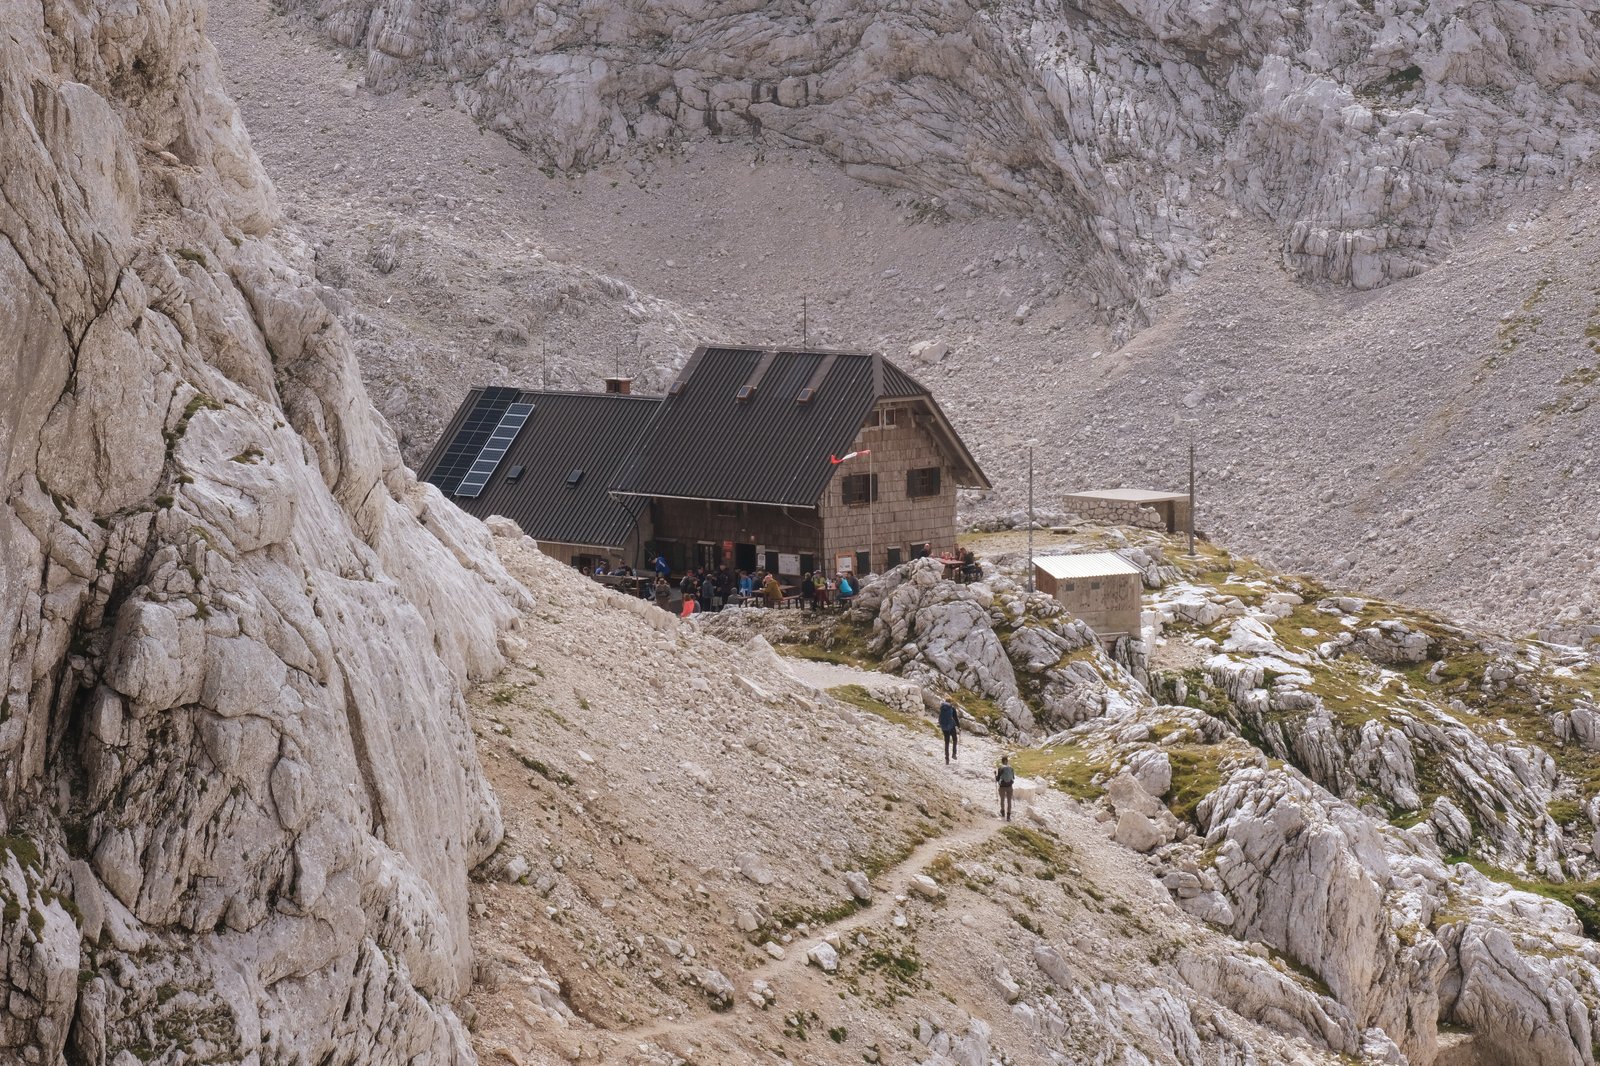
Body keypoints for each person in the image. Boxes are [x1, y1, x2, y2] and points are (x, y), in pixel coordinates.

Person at [938, 698, 960, 763]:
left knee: (946, 742)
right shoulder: (952, 708)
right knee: (955, 739)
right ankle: (954, 754)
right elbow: (955, 718)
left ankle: (947, 758)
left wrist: (941, 725)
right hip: (951, 726)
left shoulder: (942, 708)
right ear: (950, 702)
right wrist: (959, 727)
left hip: (944, 727)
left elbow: (940, 718)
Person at [995, 756, 1015, 821]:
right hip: (1009, 786)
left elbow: (997, 779)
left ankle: (1003, 812)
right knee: (1009, 801)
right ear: (1007, 761)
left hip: (1002, 787)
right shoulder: (1011, 768)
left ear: (1002, 761)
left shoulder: (1000, 768)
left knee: (1002, 799)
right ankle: (1008, 816)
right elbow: (1013, 777)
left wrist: (995, 775)